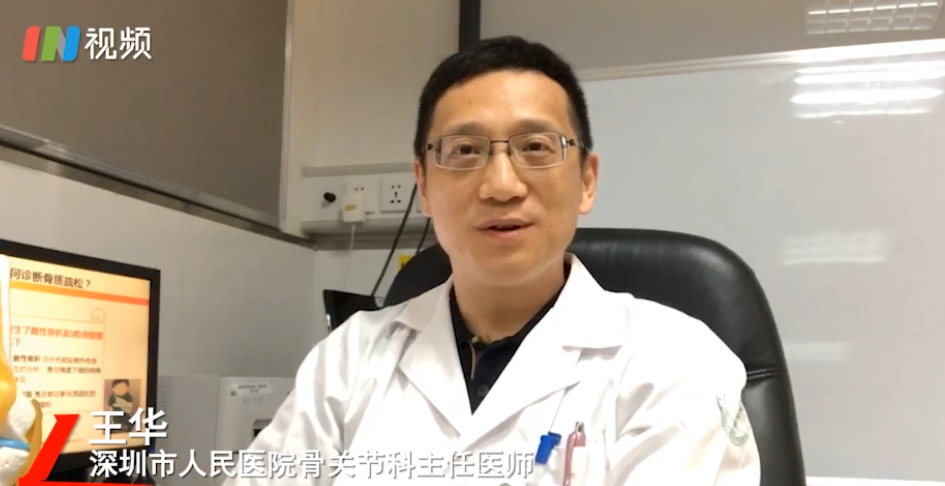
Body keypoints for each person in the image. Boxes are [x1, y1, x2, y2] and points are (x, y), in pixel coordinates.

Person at [226, 36, 760, 485]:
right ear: (424, 186)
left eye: (536, 147)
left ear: (586, 180)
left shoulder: (674, 363)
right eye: (464, 151)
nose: (502, 185)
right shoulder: (349, 360)